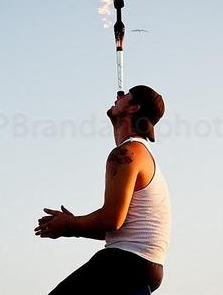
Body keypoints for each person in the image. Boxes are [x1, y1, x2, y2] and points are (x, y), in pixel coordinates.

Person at [34, 85, 172, 294]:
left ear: (134, 107)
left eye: (126, 96)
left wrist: (70, 224)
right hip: (143, 268)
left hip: (124, 263)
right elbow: (118, 225)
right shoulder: (140, 154)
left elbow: (111, 220)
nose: (119, 96)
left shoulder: (127, 153)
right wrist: (73, 226)